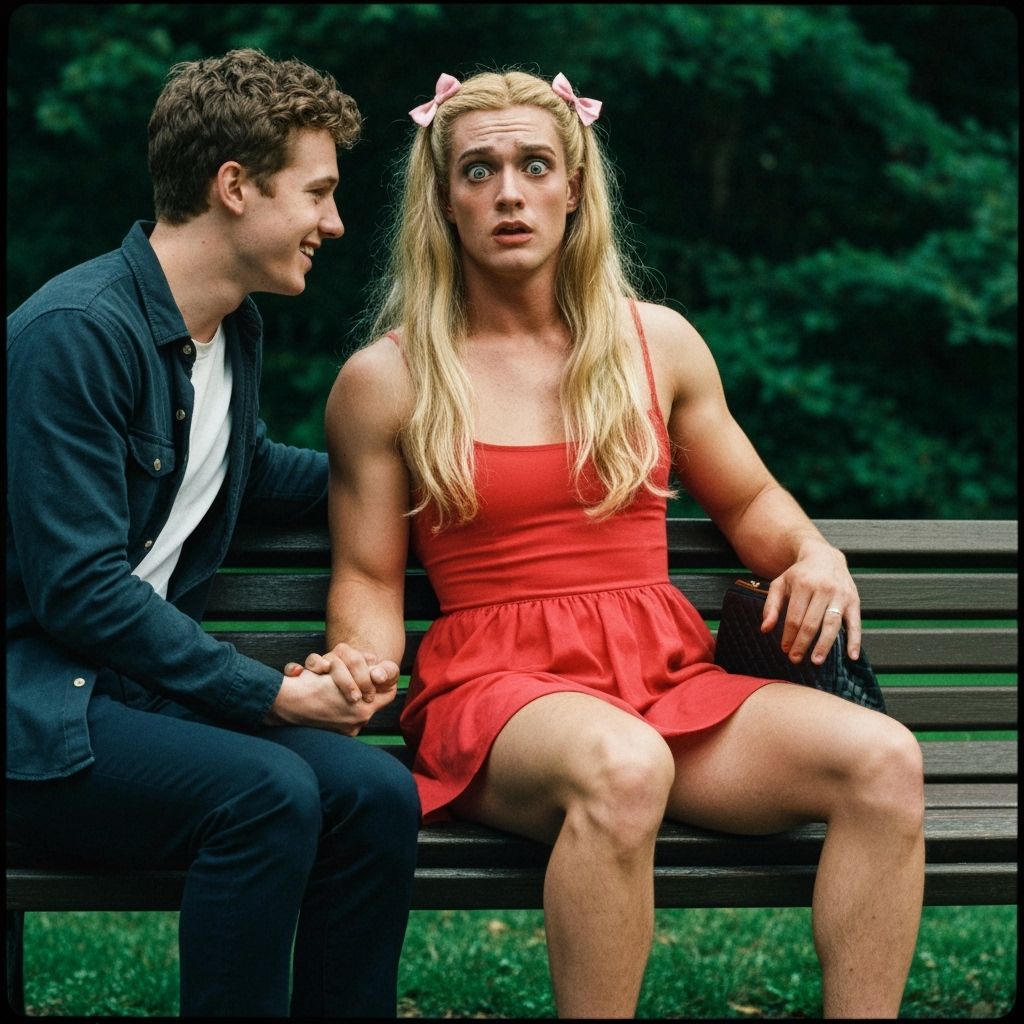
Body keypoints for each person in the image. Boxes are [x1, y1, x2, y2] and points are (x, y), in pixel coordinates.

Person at [313, 69, 925, 1018]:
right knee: (623, 763)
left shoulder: (658, 343)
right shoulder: (386, 379)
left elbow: (755, 502)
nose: (508, 192)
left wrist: (814, 554)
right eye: (478, 170)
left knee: (883, 760)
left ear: (574, 188)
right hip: (496, 693)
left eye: (532, 166)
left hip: (664, 680)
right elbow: (366, 575)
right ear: (443, 199)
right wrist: (357, 673)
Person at [6, 49, 420, 1018]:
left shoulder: (228, 328)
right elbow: (80, 589)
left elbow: (249, 471)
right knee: (266, 794)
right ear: (234, 185)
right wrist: (270, 693)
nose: (334, 222)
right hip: (40, 711)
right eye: (317, 192)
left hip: (137, 699)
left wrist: (426, 486)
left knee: (373, 799)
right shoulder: (76, 333)